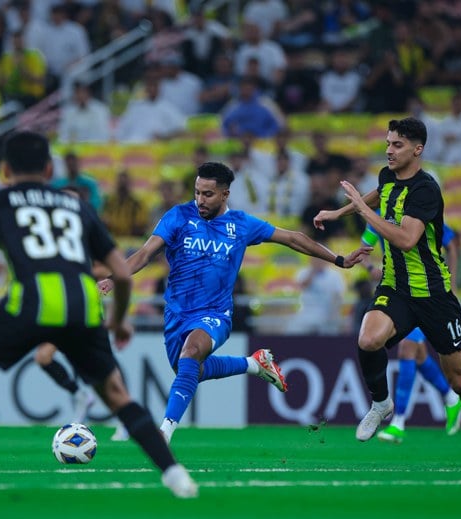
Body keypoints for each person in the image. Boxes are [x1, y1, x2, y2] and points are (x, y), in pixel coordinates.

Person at [0, 131, 198, 498]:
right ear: (49, 169)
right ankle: (177, 478)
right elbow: (122, 272)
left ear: (3, 170)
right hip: (81, 305)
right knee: (117, 396)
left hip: (30, 301)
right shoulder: (76, 205)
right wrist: (119, 319)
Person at [100, 161, 372, 443]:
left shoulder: (241, 224)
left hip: (216, 314)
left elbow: (293, 238)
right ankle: (254, 364)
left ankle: (164, 432)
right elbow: (145, 253)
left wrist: (338, 259)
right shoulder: (178, 216)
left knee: (192, 351)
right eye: (197, 192)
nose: (199, 200)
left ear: (225, 195)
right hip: (177, 314)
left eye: (207, 194)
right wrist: (112, 278)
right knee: (189, 369)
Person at [313, 117, 461, 468]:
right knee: (368, 339)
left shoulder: (426, 190)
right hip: (396, 287)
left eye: (397, 145)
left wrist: (363, 210)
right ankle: (381, 403)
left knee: (460, 380)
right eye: (388, 143)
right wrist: (340, 211)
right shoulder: (388, 176)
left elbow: (405, 238)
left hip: (434, 295)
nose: (389, 150)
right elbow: (377, 193)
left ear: (418, 149)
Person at [359, 221, 461, 443]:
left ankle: (398, 422)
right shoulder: (377, 215)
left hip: (426, 294)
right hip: (397, 296)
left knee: (408, 349)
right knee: (417, 353)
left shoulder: (420, 209)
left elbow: (451, 245)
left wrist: (451, 283)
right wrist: (370, 269)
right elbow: (363, 248)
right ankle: (450, 397)